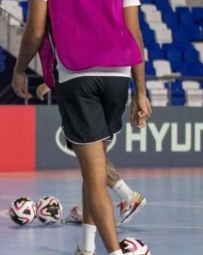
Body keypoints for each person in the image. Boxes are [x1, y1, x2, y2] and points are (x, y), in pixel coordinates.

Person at [11, 0, 151, 255]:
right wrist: (141, 91)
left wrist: (20, 68)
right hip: (118, 78)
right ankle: (86, 245)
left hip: (76, 74)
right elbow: (135, 36)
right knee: (94, 166)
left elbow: (36, 31)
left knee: (92, 170)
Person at [35, 83, 146, 226]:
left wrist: (51, 81)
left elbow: (76, 60)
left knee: (89, 154)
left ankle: (128, 196)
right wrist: (141, 94)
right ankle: (84, 210)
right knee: (95, 154)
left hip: (86, 89)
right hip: (114, 87)